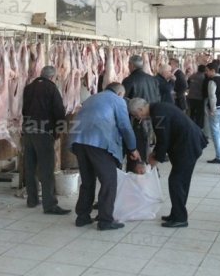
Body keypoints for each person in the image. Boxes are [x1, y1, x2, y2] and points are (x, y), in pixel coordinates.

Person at [70, 82, 140, 230]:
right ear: (120, 93)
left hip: (78, 141)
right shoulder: (118, 100)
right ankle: (105, 220)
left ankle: (82, 216)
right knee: (109, 180)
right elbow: (125, 126)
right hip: (98, 142)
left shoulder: (91, 98)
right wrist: (133, 148)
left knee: (88, 180)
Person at [128, 98, 207, 228]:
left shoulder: (158, 114)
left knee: (177, 181)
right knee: (180, 181)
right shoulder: (158, 108)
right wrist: (155, 154)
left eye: (137, 115)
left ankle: (180, 218)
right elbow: (164, 137)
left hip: (188, 145)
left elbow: (163, 139)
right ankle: (176, 213)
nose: (138, 118)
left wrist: (155, 159)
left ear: (140, 109)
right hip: (187, 143)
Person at [22, 65, 70, 215]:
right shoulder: (51, 88)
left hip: (28, 131)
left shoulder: (29, 87)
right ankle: (50, 205)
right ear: (52, 77)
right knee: (46, 168)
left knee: (30, 167)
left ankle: (32, 200)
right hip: (43, 132)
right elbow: (59, 111)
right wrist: (58, 131)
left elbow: (24, 109)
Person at [122, 55, 160, 171]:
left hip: (136, 120)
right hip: (152, 117)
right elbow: (158, 97)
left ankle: (136, 173)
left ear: (132, 66)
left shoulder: (129, 80)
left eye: (128, 64)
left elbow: (123, 101)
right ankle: (148, 171)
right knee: (147, 146)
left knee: (136, 149)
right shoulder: (153, 79)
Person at [205, 61, 220, 163]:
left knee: (215, 134)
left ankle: (219, 156)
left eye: (207, 71)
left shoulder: (212, 81)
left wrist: (212, 109)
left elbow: (212, 96)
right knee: (219, 133)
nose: (206, 73)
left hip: (216, 109)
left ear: (213, 71)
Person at [187, 64, 206, 129]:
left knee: (191, 112)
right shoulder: (204, 77)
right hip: (199, 98)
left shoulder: (192, 76)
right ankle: (198, 127)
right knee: (199, 114)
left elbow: (188, 84)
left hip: (190, 97)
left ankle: (190, 125)